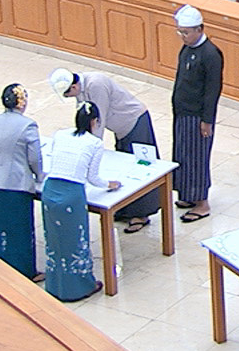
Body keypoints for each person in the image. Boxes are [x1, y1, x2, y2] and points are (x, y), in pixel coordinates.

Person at [49, 68, 162, 232]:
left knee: (140, 168)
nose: (69, 97)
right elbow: (84, 118)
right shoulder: (80, 90)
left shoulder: (96, 85)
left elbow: (97, 121)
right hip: (120, 129)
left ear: (73, 87)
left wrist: (90, 147)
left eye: (68, 94)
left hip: (134, 122)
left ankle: (141, 214)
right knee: (124, 168)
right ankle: (126, 209)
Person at [41, 102, 116, 301]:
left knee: (54, 240)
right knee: (76, 241)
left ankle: (55, 284)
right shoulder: (95, 143)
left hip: (50, 191)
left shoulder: (60, 135)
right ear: (95, 121)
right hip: (71, 195)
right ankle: (79, 287)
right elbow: (93, 177)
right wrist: (109, 184)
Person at [0, 84, 43, 280]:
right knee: (19, 230)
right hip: (17, 183)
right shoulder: (27, 125)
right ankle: (24, 271)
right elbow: (34, 158)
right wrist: (39, 176)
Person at [171, 5, 222, 222]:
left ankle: (202, 203)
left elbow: (212, 90)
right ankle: (188, 194)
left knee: (197, 158)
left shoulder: (210, 54)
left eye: (186, 32)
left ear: (199, 29)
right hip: (182, 112)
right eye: (180, 32)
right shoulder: (186, 49)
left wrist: (207, 120)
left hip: (197, 115)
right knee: (183, 154)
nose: (182, 36)